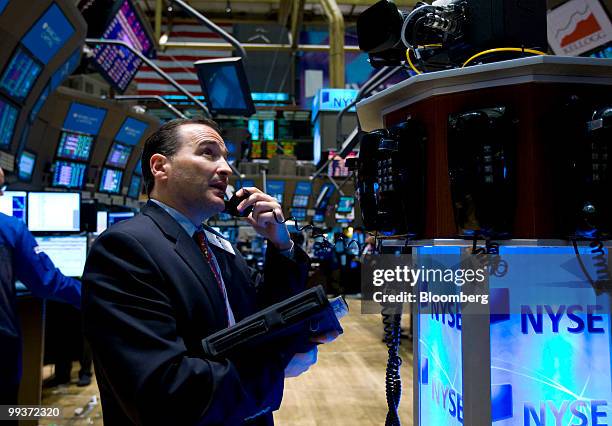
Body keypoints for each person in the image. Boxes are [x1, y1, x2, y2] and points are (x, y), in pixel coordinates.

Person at [82, 118, 329, 425]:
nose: (226, 169)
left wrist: (280, 244)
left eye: (226, 158)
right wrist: (275, 365)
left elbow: (266, 311)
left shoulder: (215, 242)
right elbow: (163, 390)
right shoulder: (125, 247)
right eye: (208, 153)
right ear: (160, 167)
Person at [0, 166, 81, 405]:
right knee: (6, 413)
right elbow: (47, 282)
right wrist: (94, 296)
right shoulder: (10, 229)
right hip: (2, 346)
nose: (2, 195)